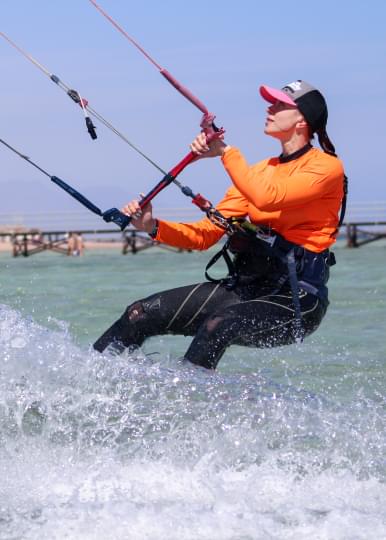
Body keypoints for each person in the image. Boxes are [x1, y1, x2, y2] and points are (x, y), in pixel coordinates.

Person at [93, 80, 346, 369]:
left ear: (302, 119)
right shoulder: (258, 173)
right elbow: (205, 234)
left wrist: (225, 152)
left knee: (219, 323)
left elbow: (266, 198)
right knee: (139, 313)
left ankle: (187, 401)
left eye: (279, 105)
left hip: (297, 299)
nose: (269, 108)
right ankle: (87, 378)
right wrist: (152, 226)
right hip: (251, 286)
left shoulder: (326, 167)